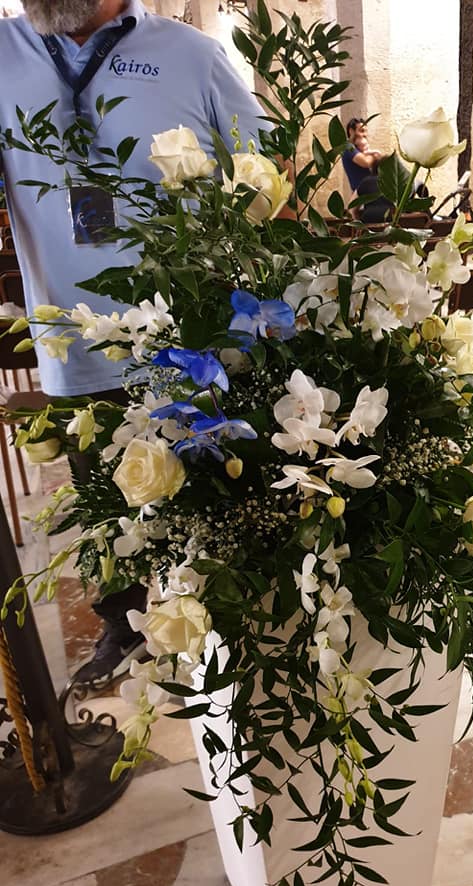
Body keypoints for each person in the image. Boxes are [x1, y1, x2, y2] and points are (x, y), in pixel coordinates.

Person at [0, 0, 272, 682]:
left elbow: (265, 178)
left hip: (191, 342)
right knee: (105, 504)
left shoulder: (194, 55)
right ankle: (121, 625)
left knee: (210, 494)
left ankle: (213, 631)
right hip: (76, 341)